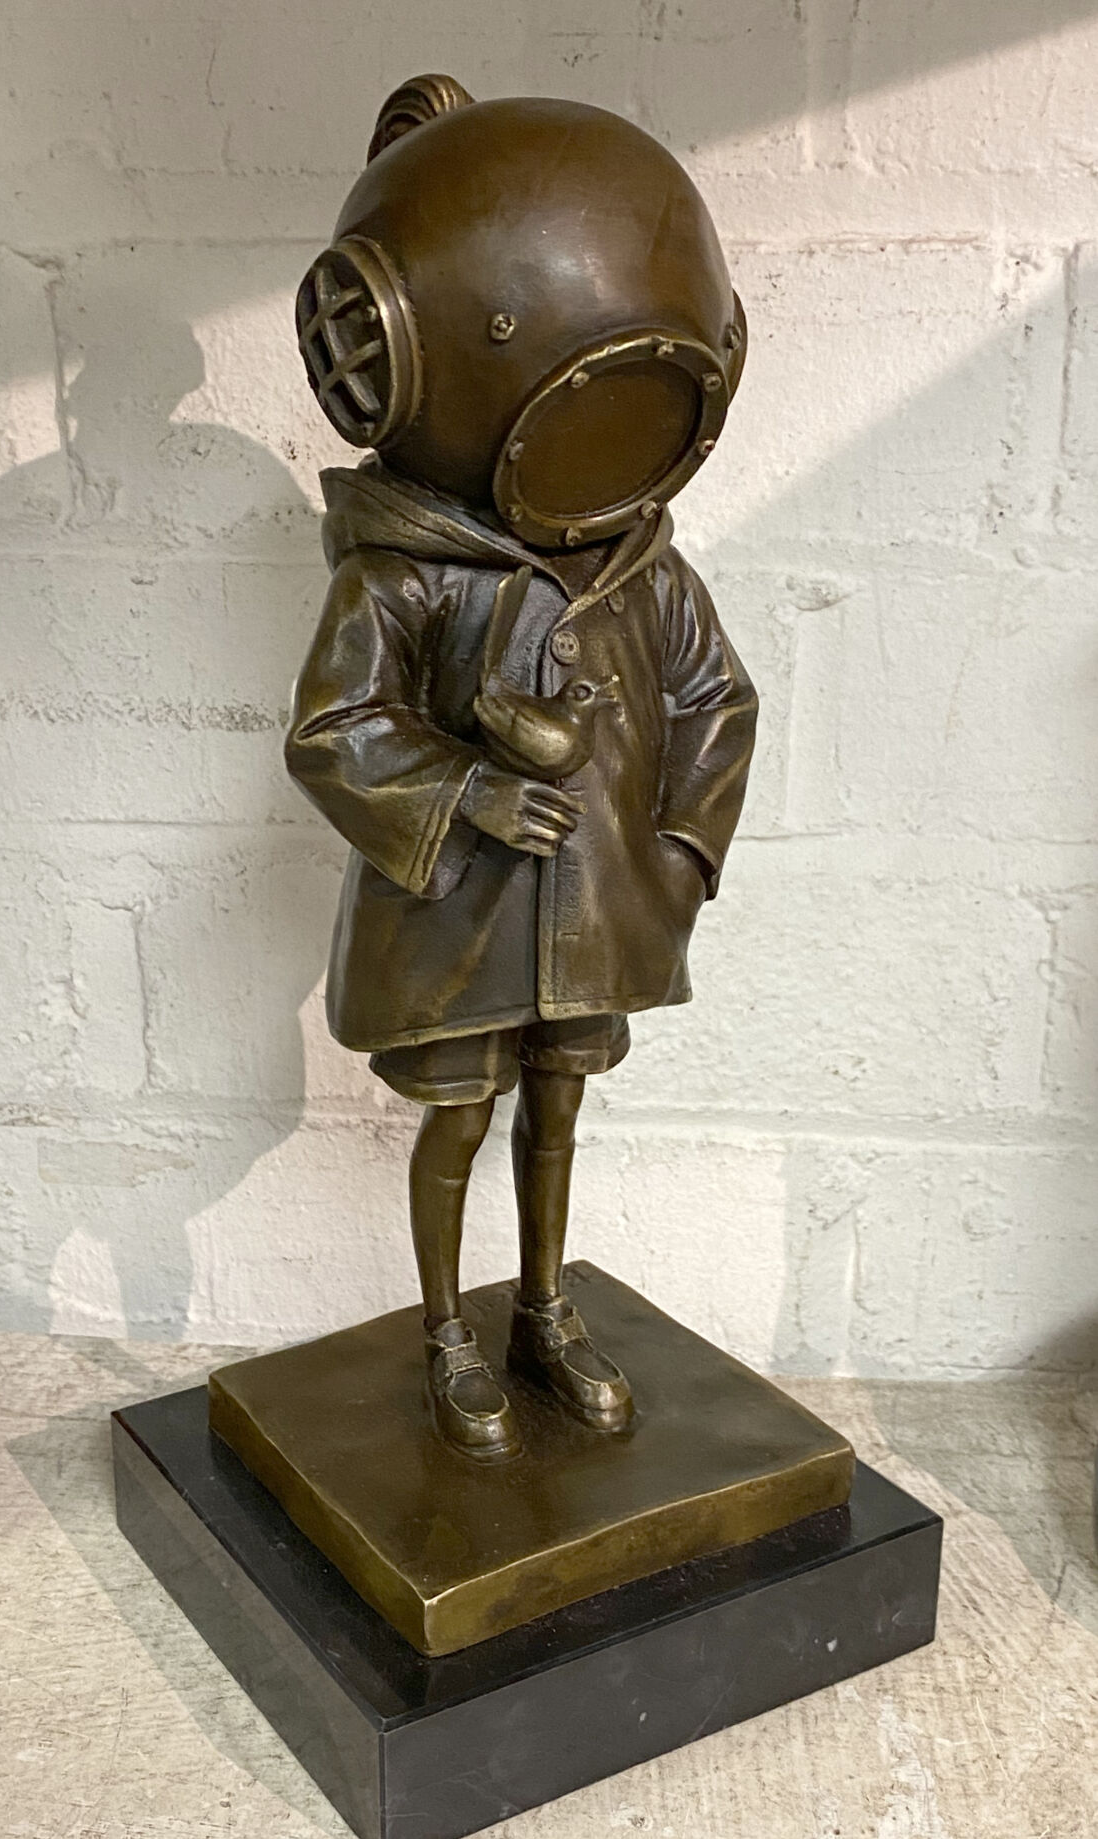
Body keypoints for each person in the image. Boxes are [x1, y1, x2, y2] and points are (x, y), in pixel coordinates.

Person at [286, 77, 758, 1460]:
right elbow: (334, 729)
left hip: (598, 909)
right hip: (463, 916)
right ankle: (447, 1330)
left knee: (560, 1109)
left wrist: (677, 856)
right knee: (456, 1121)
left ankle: (543, 1309)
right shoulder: (401, 574)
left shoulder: (644, 571)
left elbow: (717, 701)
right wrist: (467, 790)